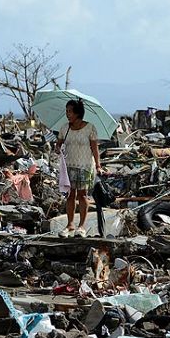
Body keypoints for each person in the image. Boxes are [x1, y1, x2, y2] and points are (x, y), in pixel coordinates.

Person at [55, 99, 100, 238]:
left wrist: (98, 165)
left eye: (70, 111)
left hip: (84, 166)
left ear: (78, 113)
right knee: (70, 195)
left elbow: (94, 148)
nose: (67, 114)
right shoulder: (64, 128)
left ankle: (81, 226)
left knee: (82, 195)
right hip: (68, 166)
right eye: (66, 111)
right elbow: (58, 144)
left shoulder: (90, 128)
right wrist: (57, 148)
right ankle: (70, 224)